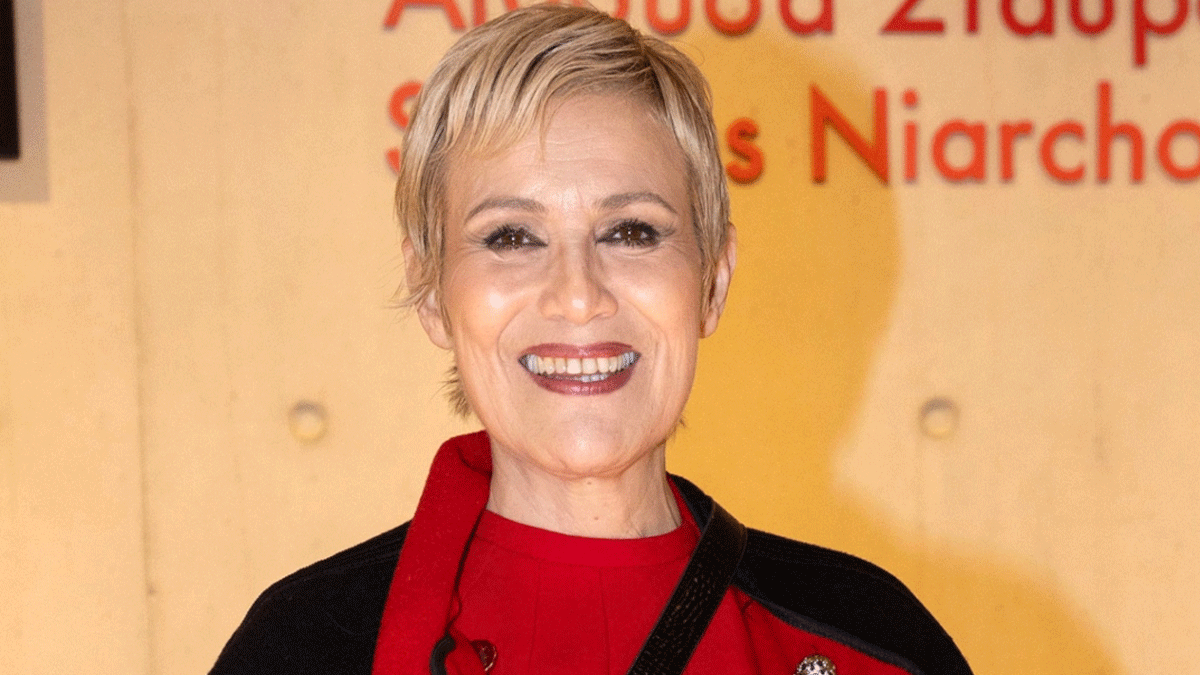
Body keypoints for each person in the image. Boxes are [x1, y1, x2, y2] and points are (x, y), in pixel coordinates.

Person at [211, 5, 973, 675]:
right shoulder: (303, 645)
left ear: (712, 278)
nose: (577, 295)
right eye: (511, 236)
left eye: (631, 231)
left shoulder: (874, 643)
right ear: (434, 292)